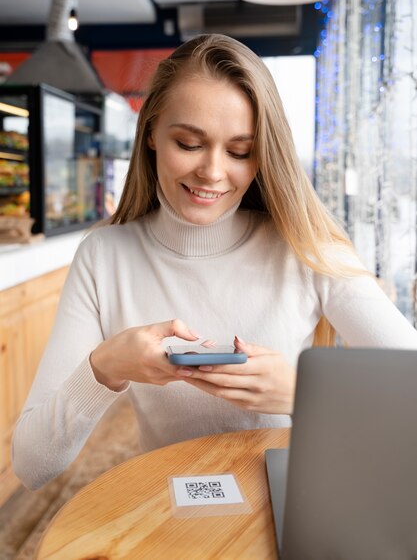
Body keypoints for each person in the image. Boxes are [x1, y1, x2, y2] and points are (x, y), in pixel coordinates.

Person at [12, 34, 417, 490]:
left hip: (293, 507)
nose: (212, 172)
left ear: (263, 155)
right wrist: (104, 367)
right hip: (173, 513)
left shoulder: (306, 248)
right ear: (150, 134)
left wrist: (306, 396)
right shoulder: (104, 256)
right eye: (188, 143)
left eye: (240, 152)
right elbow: (31, 464)